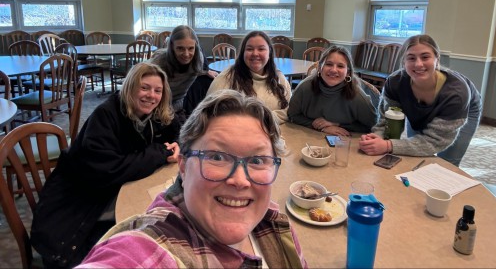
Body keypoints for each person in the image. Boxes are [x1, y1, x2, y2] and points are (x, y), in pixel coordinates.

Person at [77, 90, 308, 268]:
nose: (240, 180)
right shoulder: (152, 244)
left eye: (257, 161)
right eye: (217, 156)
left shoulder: (276, 224)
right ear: (184, 167)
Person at [31, 62, 181, 268]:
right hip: (80, 203)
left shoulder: (153, 114)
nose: (151, 96)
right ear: (130, 87)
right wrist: (158, 153)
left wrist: (176, 145)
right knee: (146, 232)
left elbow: (177, 131)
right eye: (144, 87)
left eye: (158, 91)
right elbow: (107, 170)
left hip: (109, 192)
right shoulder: (106, 114)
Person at [359, 34, 482, 166]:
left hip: (463, 111)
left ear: (437, 58)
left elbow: (433, 142)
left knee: (447, 162)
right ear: (403, 62)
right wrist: (377, 136)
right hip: (419, 110)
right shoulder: (395, 83)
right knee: (416, 156)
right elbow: (386, 121)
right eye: (411, 58)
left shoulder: (456, 94)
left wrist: (388, 145)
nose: (418, 64)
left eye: (425, 57)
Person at [288, 45, 377, 135]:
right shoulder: (304, 88)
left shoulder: (358, 97)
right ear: (319, 68)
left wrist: (338, 125)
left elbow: (373, 126)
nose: (334, 70)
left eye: (340, 66)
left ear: (348, 73)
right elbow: (292, 115)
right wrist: (319, 126)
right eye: (329, 64)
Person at [206, 31, 291, 124]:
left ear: (269, 52)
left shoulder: (279, 78)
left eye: (261, 49)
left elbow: (289, 110)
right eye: (249, 49)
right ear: (243, 52)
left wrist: (263, 119)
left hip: (276, 134)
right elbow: (209, 114)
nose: (255, 53)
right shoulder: (225, 79)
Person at [150, 25, 217, 115]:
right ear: (172, 47)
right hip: (154, 107)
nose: (186, 54)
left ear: (196, 47)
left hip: (177, 107)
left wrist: (205, 72)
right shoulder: (159, 62)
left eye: (191, 48)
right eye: (180, 48)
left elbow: (182, 96)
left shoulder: (198, 59)